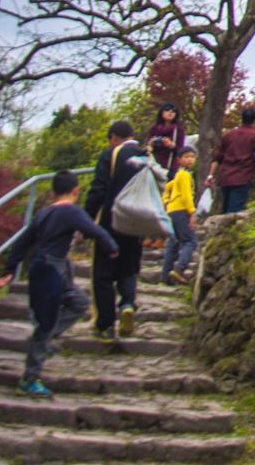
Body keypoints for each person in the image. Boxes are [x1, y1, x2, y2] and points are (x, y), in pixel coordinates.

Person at [0, 170, 117, 398]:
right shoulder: (70, 211)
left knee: (80, 303)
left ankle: (43, 341)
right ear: (76, 191)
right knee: (46, 323)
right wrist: (112, 247)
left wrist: (10, 269)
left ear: (52, 193)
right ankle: (29, 378)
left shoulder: (43, 213)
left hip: (52, 267)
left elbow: (22, 242)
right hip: (50, 270)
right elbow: (94, 229)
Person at [84, 120, 152, 343]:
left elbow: (98, 190)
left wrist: (86, 220)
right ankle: (127, 304)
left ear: (113, 137)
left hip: (110, 222)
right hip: (136, 222)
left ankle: (104, 325)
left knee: (103, 274)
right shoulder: (145, 157)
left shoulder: (111, 155)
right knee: (129, 269)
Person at [208, 107, 255, 215]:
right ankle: (228, 231)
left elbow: (217, 157)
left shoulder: (229, 135)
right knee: (234, 213)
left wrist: (210, 175)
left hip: (225, 177)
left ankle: (220, 229)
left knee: (225, 208)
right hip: (242, 177)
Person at [160, 146, 199, 285]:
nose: (190, 159)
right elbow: (186, 196)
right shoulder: (185, 175)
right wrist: (192, 212)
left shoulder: (178, 175)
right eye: (186, 157)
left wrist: (166, 202)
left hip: (172, 211)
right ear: (179, 160)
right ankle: (179, 269)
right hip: (182, 210)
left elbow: (168, 187)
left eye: (192, 157)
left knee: (173, 243)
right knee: (190, 242)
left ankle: (165, 276)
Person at [147, 102, 186, 173]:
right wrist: (151, 144)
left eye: (174, 111)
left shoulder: (178, 129)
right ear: (161, 112)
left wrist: (171, 145)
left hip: (171, 166)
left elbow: (181, 150)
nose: (170, 112)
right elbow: (148, 148)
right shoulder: (154, 128)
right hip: (155, 164)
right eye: (167, 109)